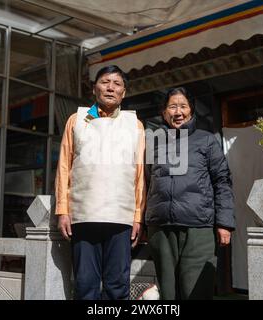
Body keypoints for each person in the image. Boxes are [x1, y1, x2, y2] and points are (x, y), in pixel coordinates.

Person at [55, 65, 145, 300]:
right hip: (83, 214)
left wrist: (137, 215)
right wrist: (62, 210)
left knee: (118, 286)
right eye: (105, 82)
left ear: (123, 93)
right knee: (85, 285)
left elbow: (139, 173)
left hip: (121, 216)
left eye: (117, 84)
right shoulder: (76, 120)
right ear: (95, 88)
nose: (110, 88)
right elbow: (64, 167)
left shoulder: (135, 125)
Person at [145, 87, 235, 300]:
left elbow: (222, 181)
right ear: (164, 112)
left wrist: (224, 223)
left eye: (183, 106)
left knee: (195, 291)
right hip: (161, 228)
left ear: (191, 111)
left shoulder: (206, 140)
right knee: (168, 294)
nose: (178, 112)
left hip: (199, 227)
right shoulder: (154, 143)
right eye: (172, 106)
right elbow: (146, 181)